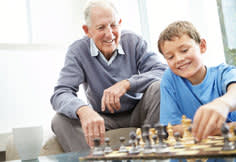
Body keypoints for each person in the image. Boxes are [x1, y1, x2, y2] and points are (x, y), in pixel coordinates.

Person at [50, 0, 167, 152]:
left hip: (138, 111)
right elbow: (60, 93)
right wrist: (83, 110)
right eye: (101, 27)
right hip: (103, 118)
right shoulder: (77, 51)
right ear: (87, 30)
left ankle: (152, 153)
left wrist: (127, 84)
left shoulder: (134, 41)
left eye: (113, 25)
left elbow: (162, 71)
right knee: (59, 120)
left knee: (158, 87)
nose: (109, 34)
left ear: (120, 23)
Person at [158, 21, 236, 141]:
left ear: (202, 46)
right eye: (170, 57)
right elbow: (173, 128)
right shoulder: (170, 79)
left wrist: (223, 103)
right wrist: (224, 128)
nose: (179, 59)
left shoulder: (223, 73)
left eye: (184, 50)